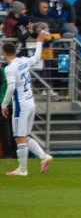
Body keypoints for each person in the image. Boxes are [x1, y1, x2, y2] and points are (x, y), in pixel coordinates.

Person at [1, 32, 55, 176]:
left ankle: (23, 169)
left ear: (4, 53)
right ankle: (44, 157)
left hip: (21, 106)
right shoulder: (23, 60)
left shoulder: (9, 68)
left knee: (19, 136)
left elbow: (11, 87)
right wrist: (39, 42)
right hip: (31, 102)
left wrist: (4, 104)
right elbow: (37, 58)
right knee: (25, 135)